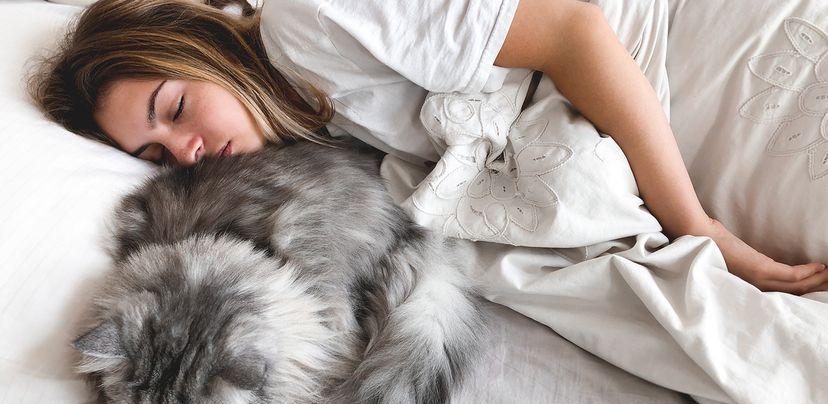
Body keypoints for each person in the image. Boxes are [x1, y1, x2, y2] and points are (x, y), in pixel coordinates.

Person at [29, 0, 828, 295]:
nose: (191, 149)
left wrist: (693, 224)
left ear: (200, 47)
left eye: (173, 107)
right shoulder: (320, 125)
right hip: (652, 111)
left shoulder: (306, 22)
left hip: (673, 56)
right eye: (160, 155)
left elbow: (570, 27)